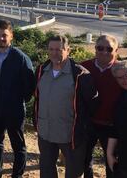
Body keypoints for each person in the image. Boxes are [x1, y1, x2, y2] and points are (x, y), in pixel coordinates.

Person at [34, 35, 98, 178]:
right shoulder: (41, 70)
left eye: (59, 49)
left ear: (68, 50)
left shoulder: (80, 74)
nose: (54, 53)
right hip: (46, 132)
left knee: (74, 173)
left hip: (71, 135)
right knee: (46, 171)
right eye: (51, 49)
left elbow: (92, 104)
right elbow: (37, 97)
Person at [0, 19, 36, 178]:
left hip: (14, 107)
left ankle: (17, 174)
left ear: (11, 36)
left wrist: (18, 99)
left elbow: (30, 83)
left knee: (18, 144)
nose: (1, 38)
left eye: (4, 35)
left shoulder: (20, 57)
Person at [81, 35, 121, 178]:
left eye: (109, 48)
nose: (104, 52)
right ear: (95, 48)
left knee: (112, 162)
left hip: (112, 126)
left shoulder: (121, 71)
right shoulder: (83, 67)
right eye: (100, 48)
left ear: (117, 50)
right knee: (85, 160)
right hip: (88, 123)